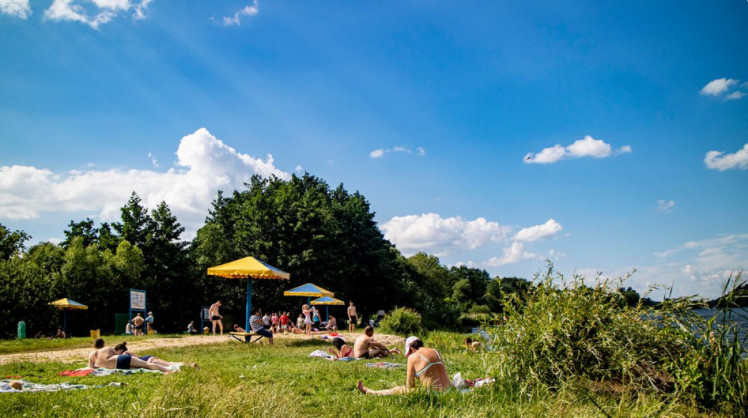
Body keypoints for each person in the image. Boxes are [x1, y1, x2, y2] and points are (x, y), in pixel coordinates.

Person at [357, 336, 449, 395]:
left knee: (398, 389)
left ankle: (370, 392)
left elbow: (410, 385)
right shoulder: (434, 351)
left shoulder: (413, 356)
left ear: (411, 349)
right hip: (448, 390)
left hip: (432, 393)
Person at [87, 338, 171, 373]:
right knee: (146, 365)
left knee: (143, 365)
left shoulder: (91, 355)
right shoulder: (108, 348)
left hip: (116, 366)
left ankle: (165, 369)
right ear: (103, 344)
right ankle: (167, 370)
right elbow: (119, 355)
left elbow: (91, 367)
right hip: (120, 360)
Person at [113, 342, 196, 369]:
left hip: (147, 360)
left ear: (120, 350)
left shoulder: (124, 354)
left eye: (116, 352)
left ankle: (190, 366)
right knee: (170, 363)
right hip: (147, 357)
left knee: (169, 365)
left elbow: (136, 360)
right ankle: (189, 365)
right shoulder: (128, 352)